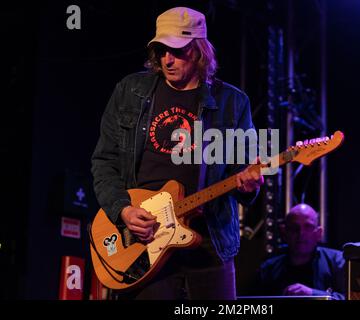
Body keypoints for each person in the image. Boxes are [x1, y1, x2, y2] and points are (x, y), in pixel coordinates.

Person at [91, 7, 263, 300]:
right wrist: (124, 210)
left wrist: (249, 184)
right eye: (161, 50)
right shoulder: (130, 91)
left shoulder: (232, 102)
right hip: (143, 239)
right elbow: (104, 162)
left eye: (177, 51)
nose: (167, 60)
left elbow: (243, 171)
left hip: (210, 244)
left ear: (199, 51)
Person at [257, 203, 346, 300]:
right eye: (294, 227)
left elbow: (352, 297)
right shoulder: (268, 269)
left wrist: (312, 295)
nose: (301, 233)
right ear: (284, 232)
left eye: (308, 227)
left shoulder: (338, 263)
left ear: (319, 233)